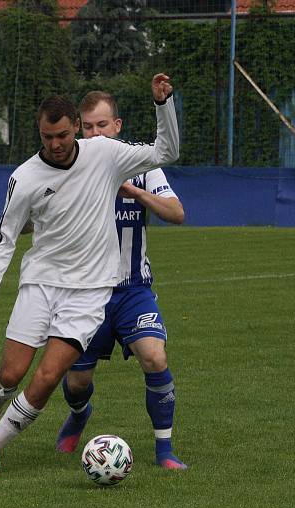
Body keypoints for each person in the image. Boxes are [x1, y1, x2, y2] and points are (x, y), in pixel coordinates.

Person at [0, 74, 179, 477]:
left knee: (48, 376)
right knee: (11, 373)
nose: (56, 144)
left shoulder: (105, 154)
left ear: (76, 128)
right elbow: (5, 237)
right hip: (41, 283)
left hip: (90, 292)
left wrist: (163, 105)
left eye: (62, 135)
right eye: (47, 137)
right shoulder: (24, 178)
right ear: (40, 134)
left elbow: (166, 150)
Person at [54, 90, 188, 470]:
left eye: (103, 126)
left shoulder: (142, 164)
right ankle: (80, 415)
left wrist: (130, 189)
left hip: (133, 292)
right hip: (86, 292)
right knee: (77, 382)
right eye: (89, 127)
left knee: (155, 356)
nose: (96, 135)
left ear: (117, 126)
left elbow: (177, 213)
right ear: (80, 129)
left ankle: (164, 451)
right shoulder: (70, 167)